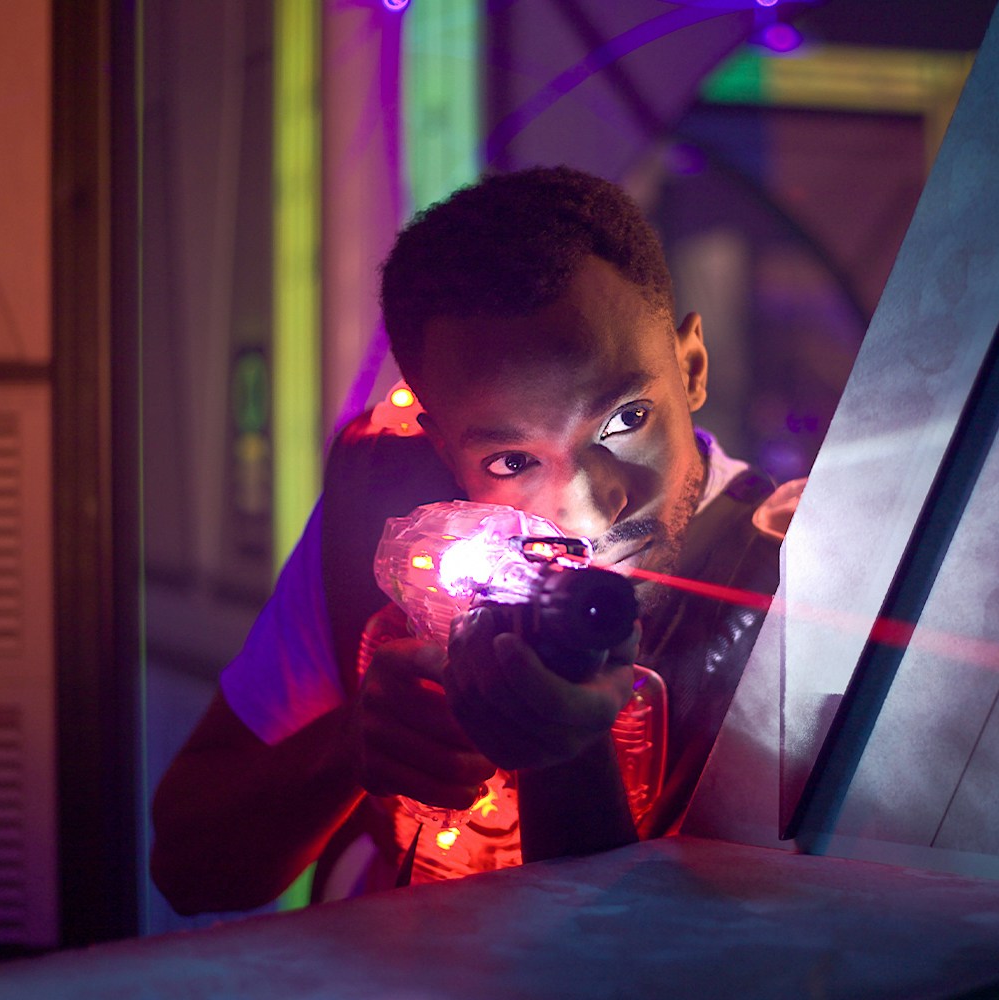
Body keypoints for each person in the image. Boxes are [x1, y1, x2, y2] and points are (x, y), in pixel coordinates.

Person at [150, 166, 785, 914]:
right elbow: (189, 867)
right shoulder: (388, 512)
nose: (587, 511)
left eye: (624, 421)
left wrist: (562, 755)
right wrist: (352, 747)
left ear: (692, 367)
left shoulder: (798, 574)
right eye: (512, 461)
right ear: (443, 448)